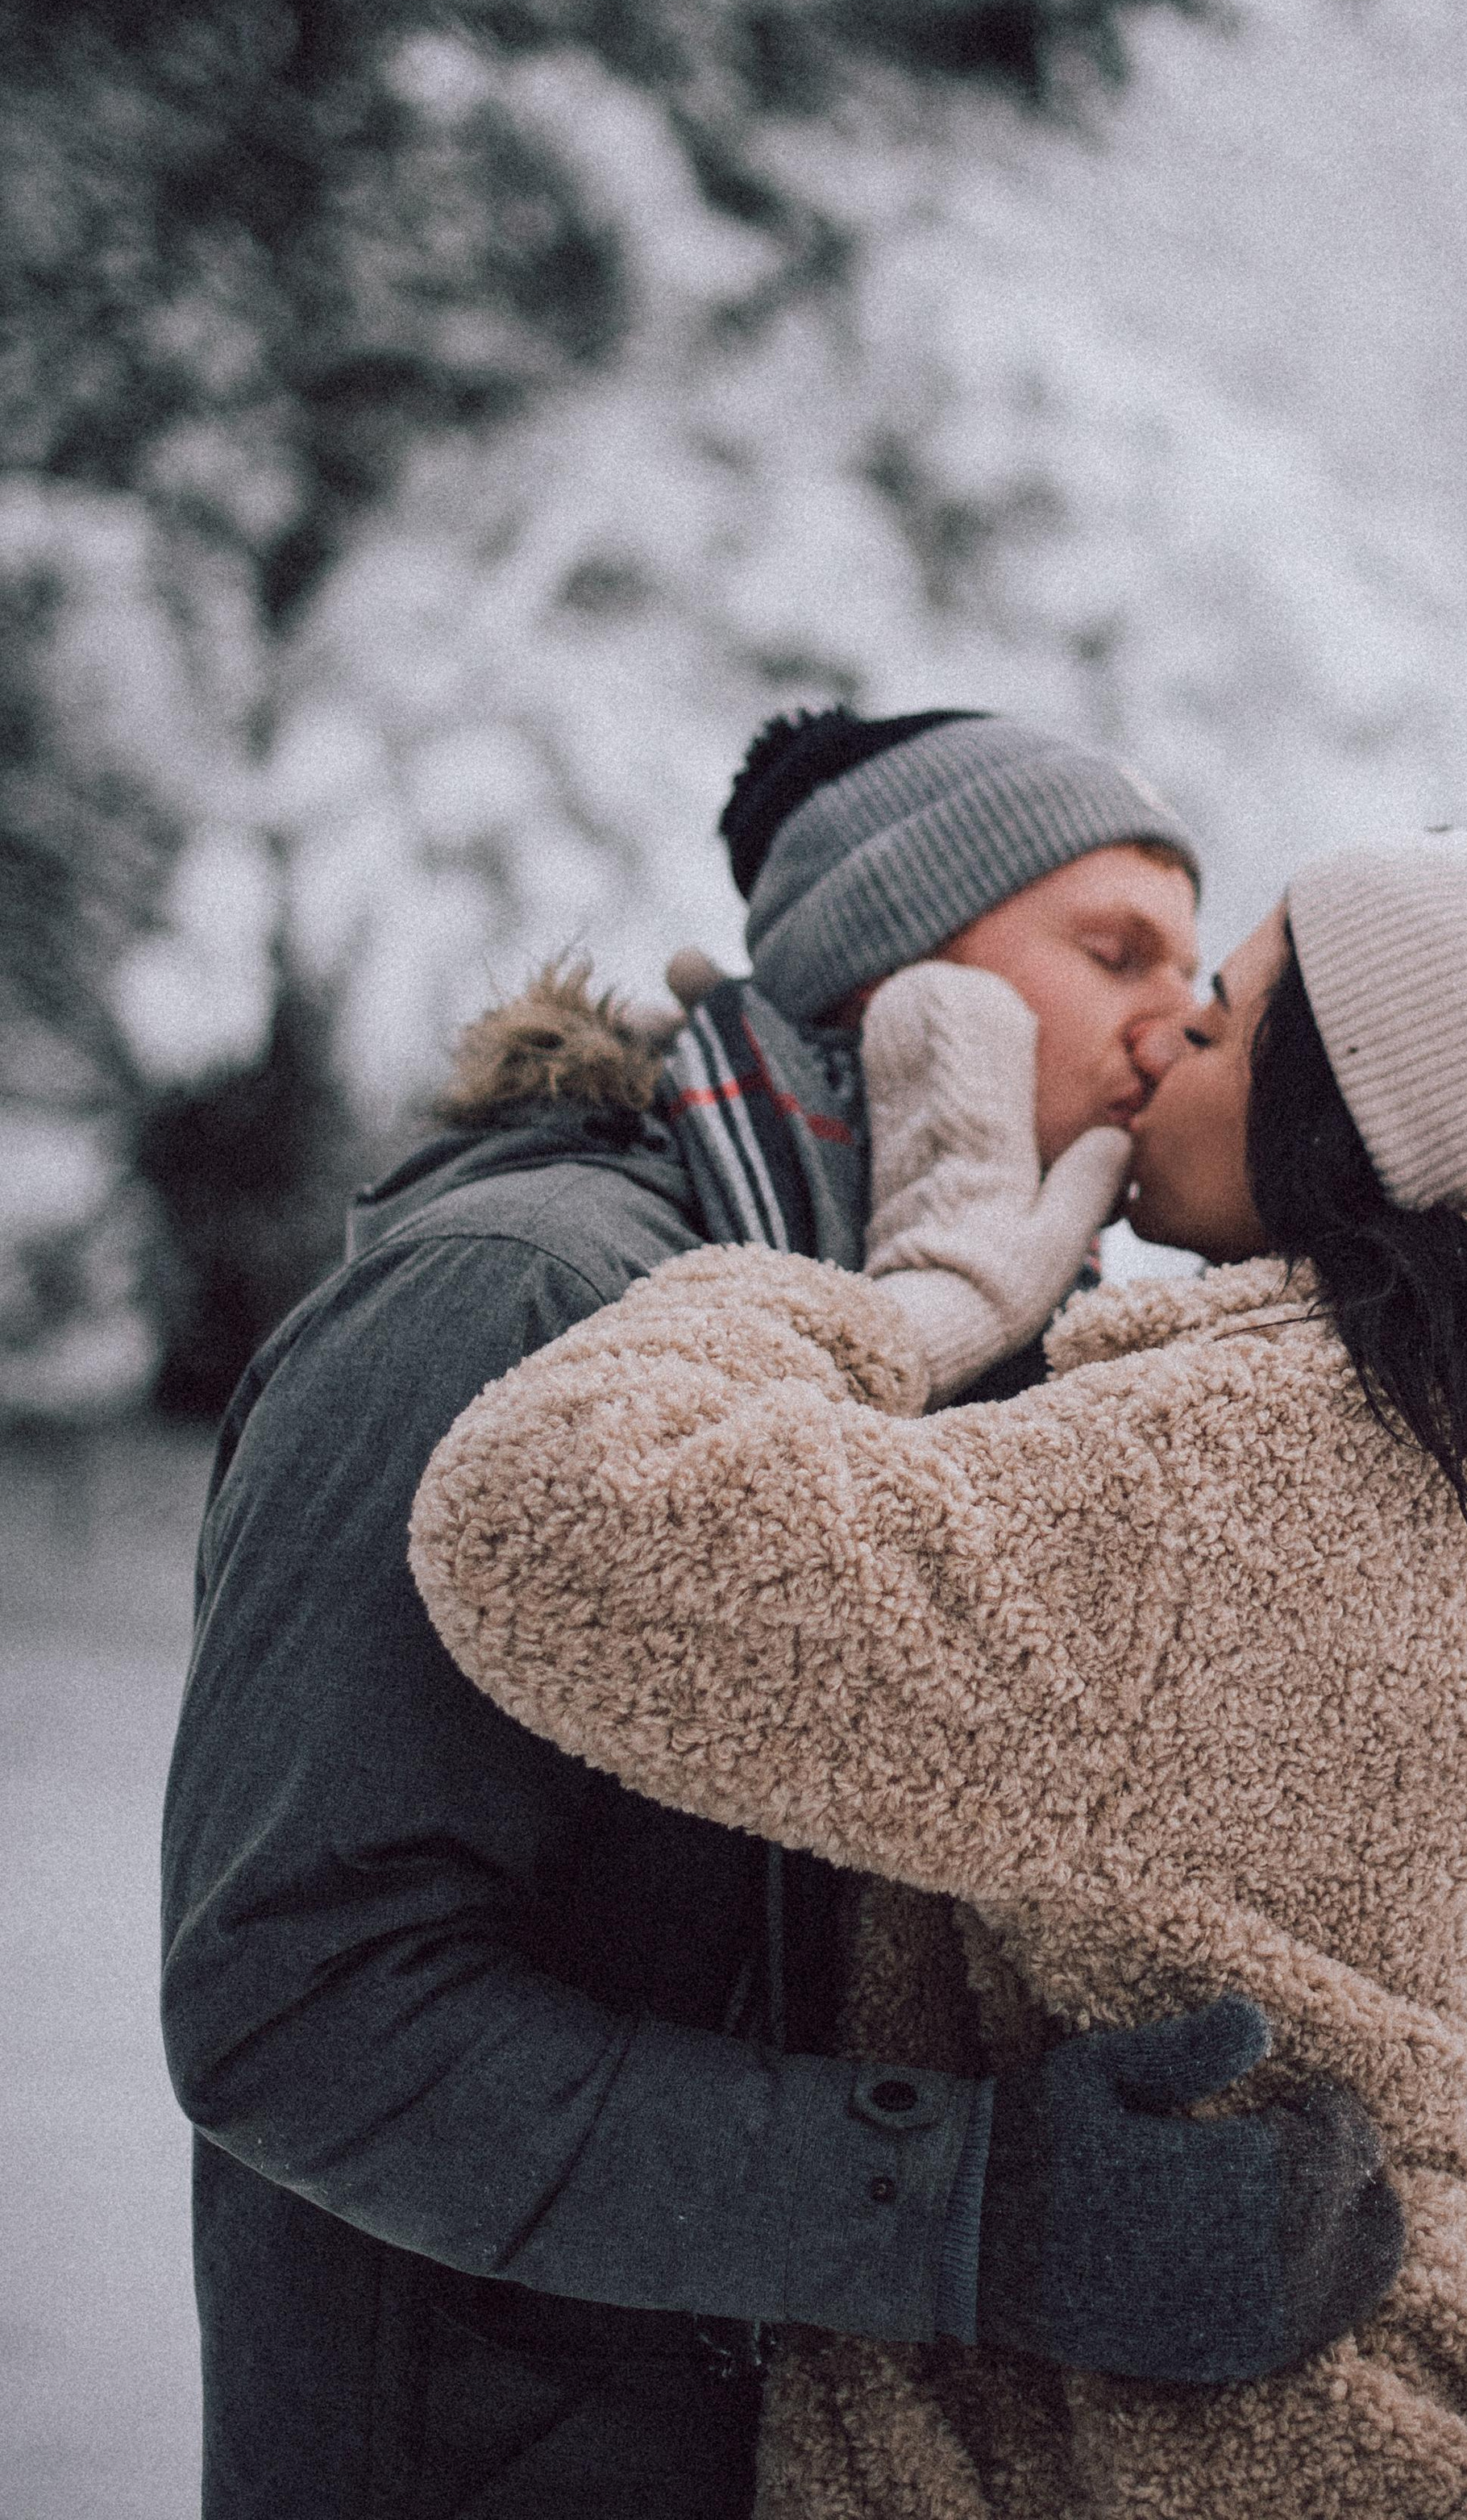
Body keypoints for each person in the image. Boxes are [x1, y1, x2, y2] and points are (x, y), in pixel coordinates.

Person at [409, 830, 1467, 2520]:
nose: (1162, 1041)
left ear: (1342, 1116)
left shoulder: (1229, 1475)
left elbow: (546, 1522)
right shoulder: (1439, 1434)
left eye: (1222, 1024)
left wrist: (925, 1298)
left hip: (1179, 2467)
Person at [160, 706, 1400, 2520]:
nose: (1172, 1022)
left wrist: (1311, 2152)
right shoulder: (509, 1302)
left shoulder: (981, 1373)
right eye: (1108, 948)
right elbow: (298, 2000)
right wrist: (966, 2207)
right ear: (895, 980)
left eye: (1189, 967)